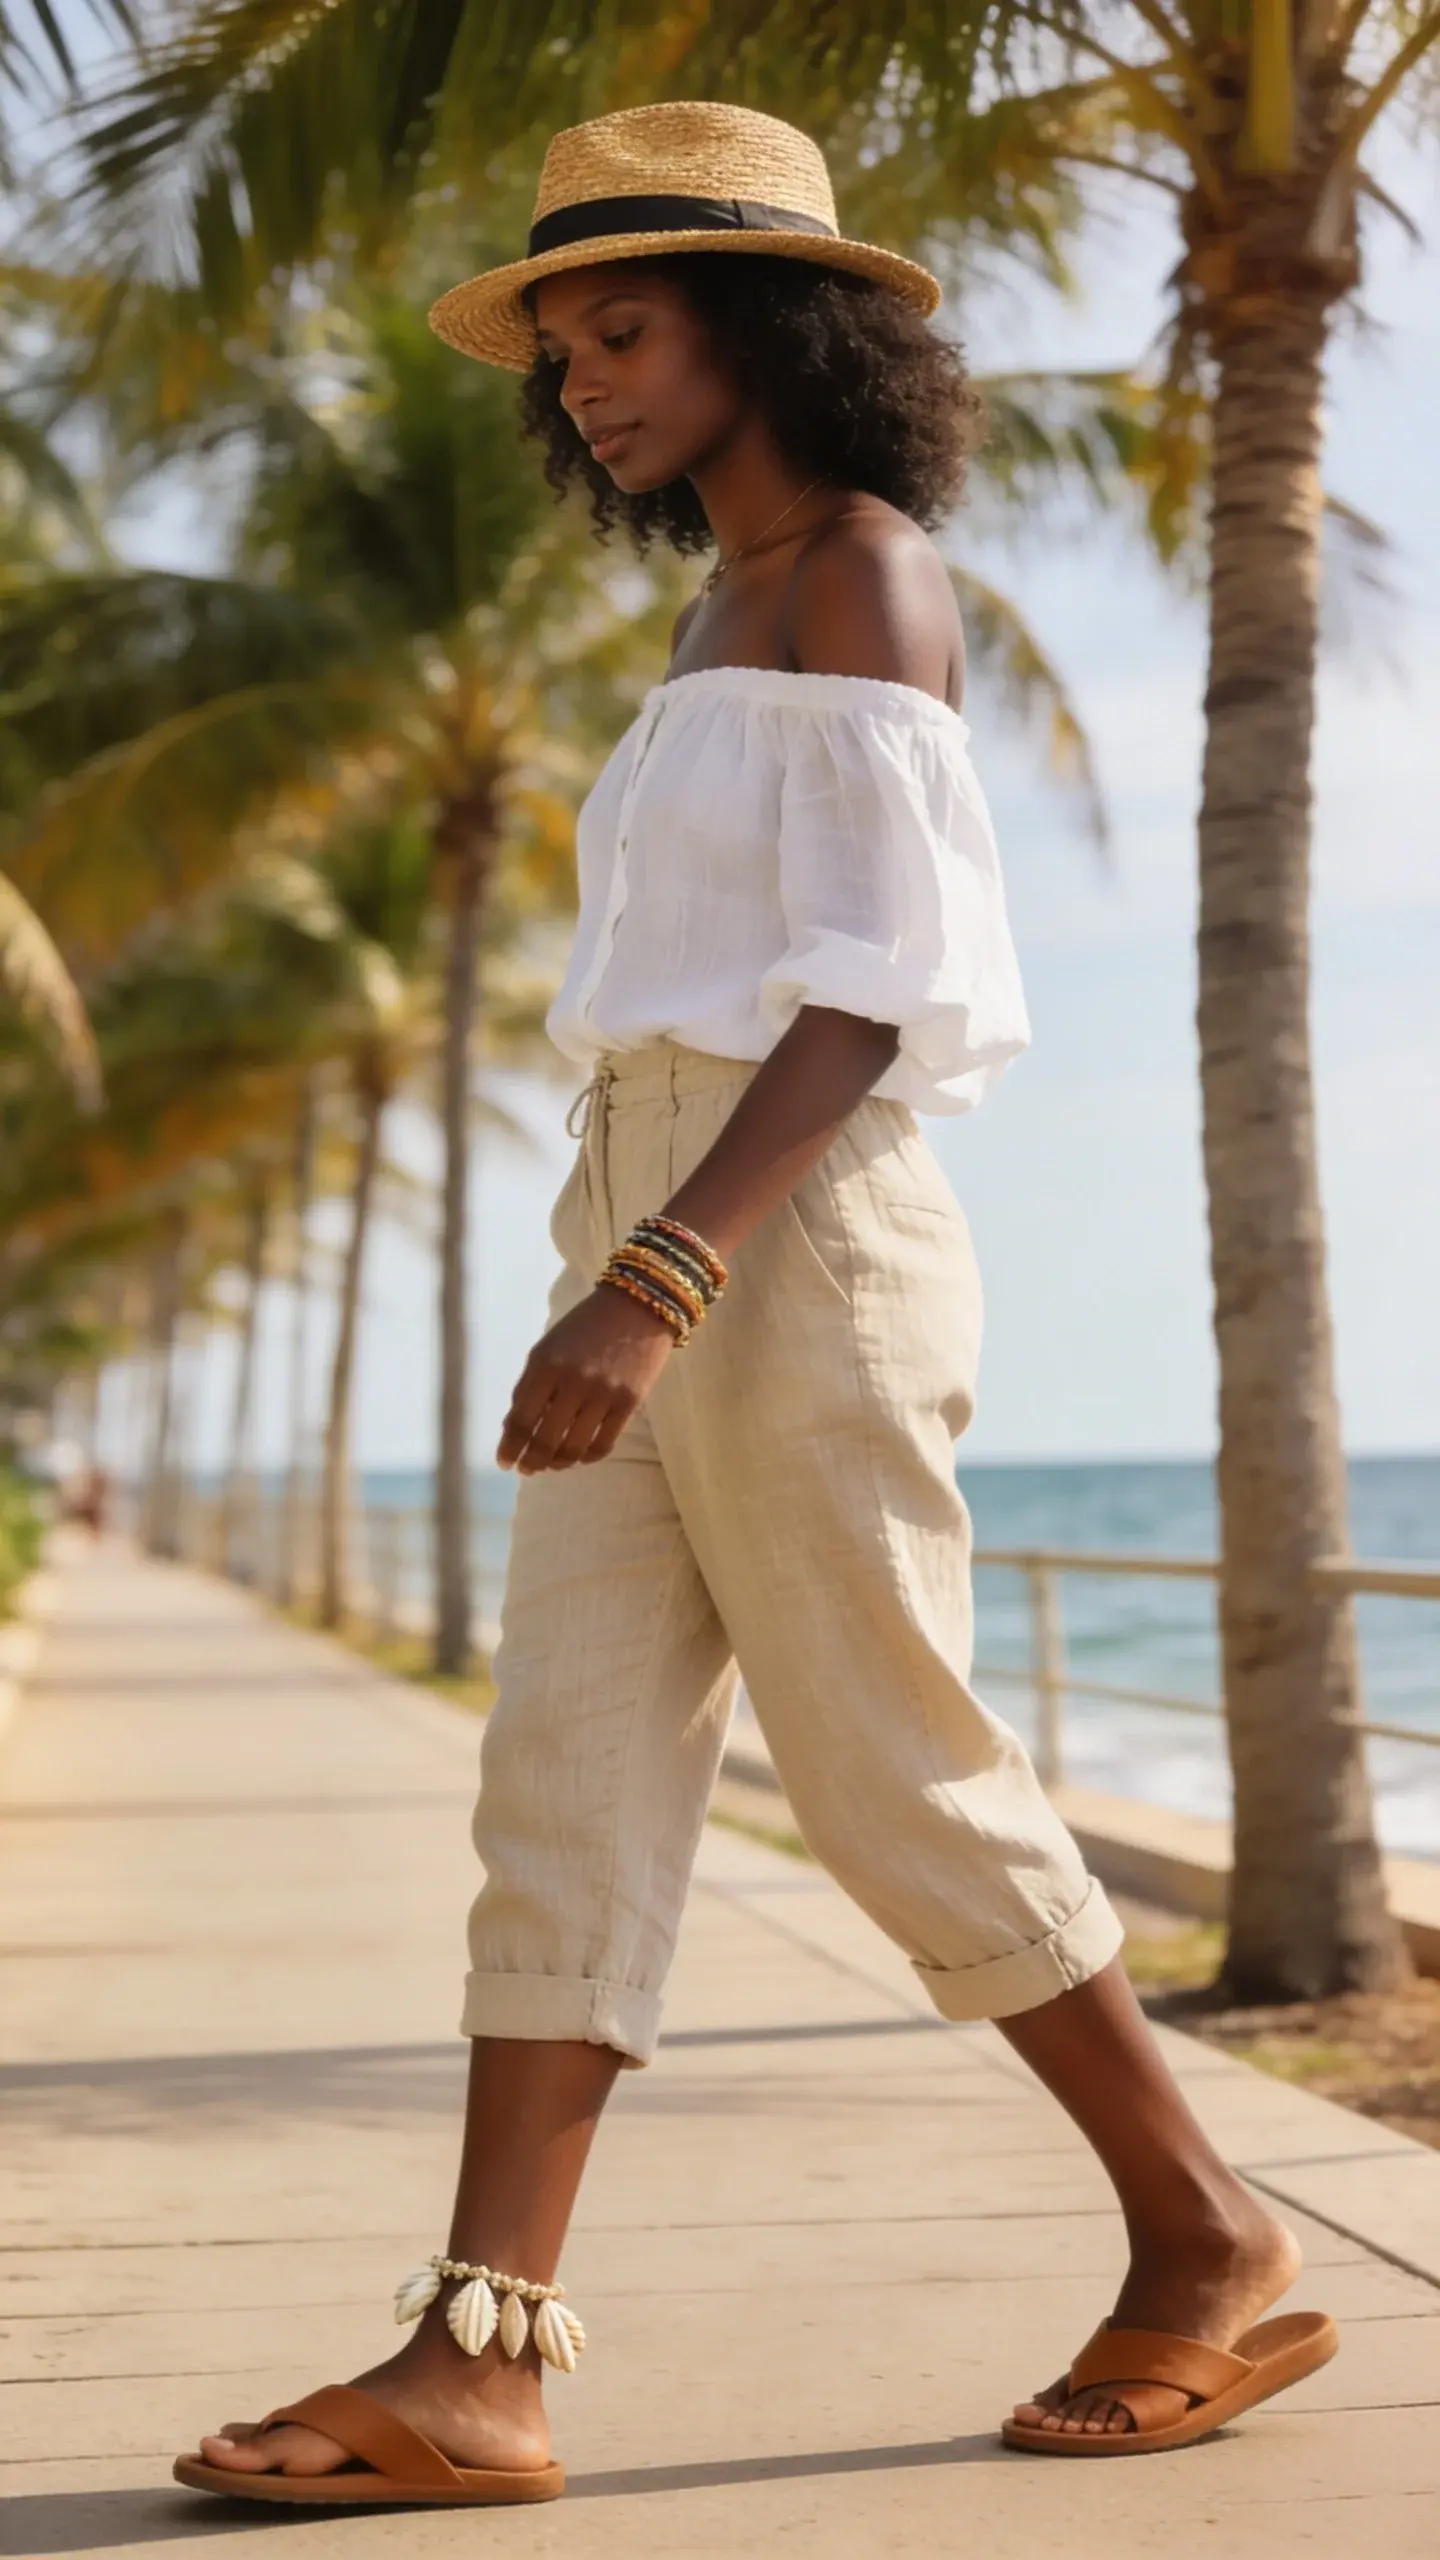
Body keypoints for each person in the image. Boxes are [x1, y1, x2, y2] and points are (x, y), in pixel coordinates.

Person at [175, 100, 1333, 2510]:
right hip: (658, 1198)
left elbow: (875, 990)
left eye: (631, 327)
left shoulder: (864, 573)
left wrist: (664, 1274)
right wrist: (626, 1247)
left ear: (769, 326)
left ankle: (1207, 2232)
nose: (586, 382)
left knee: (891, 1755)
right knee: (563, 1780)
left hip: (771, 1227)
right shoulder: (720, 603)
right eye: (564, 348)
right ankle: (475, 2358)